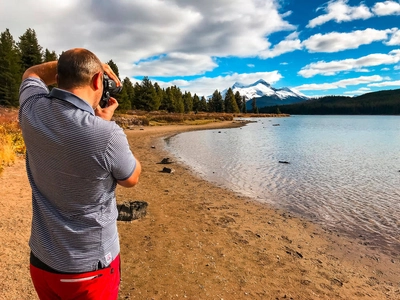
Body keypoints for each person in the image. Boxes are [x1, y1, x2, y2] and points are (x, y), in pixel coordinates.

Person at [19, 48, 141, 300]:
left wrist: (70, 65)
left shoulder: (31, 109)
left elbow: (31, 73)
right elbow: (131, 178)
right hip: (88, 269)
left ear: (59, 75)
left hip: (42, 260)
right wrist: (106, 125)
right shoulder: (106, 135)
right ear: (97, 80)